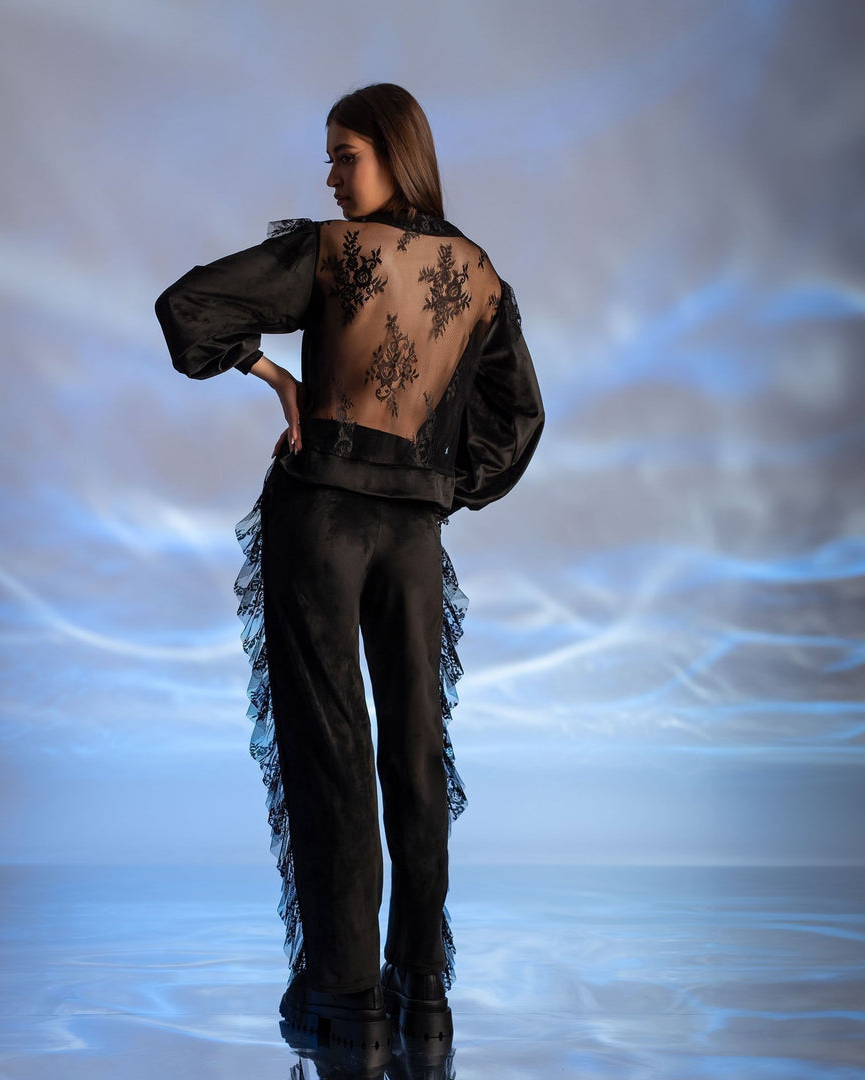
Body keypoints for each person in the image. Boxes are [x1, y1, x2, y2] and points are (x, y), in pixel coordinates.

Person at [155, 83, 544, 1051]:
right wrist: (436, 486)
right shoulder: (479, 275)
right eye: (329, 157)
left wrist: (275, 376)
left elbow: (189, 308)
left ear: (395, 154)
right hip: (413, 538)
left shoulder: (332, 253)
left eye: (345, 154)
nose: (329, 176)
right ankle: (424, 993)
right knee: (416, 750)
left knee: (332, 748)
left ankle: (345, 996)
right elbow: (518, 417)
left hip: (320, 518)